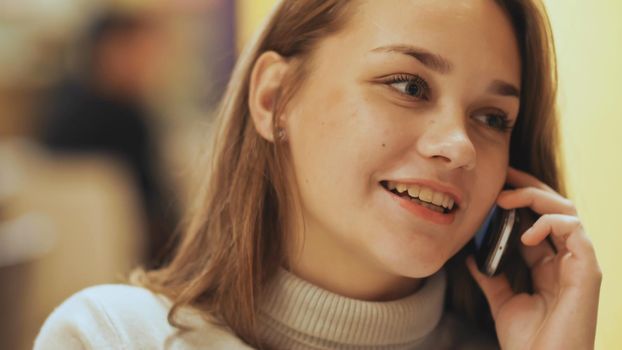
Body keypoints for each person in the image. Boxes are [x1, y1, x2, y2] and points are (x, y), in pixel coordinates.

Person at [34, 0, 602, 349]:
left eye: (492, 118)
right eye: (408, 85)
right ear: (275, 98)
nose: (459, 147)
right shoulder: (111, 338)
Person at [38, 11, 178, 268]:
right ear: (110, 52)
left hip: (60, 264)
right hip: (134, 259)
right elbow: (154, 210)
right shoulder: (127, 118)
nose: (150, 66)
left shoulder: (60, 103)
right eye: (142, 53)